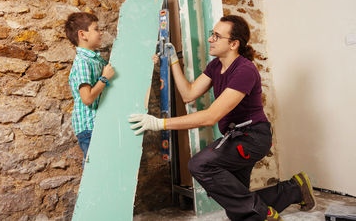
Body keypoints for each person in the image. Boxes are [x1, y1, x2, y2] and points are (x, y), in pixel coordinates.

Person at [128, 15, 316, 220]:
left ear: (234, 44)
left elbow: (211, 116)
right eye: (212, 34)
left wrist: (159, 123)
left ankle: (263, 215)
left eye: (217, 36)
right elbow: (188, 94)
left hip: (252, 137)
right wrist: (173, 61)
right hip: (237, 138)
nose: (210, 39)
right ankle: (295, 189)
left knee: (199, 164)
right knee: (239, 207)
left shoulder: (245, 70)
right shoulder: (215, 66)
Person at [65, 12, 115, 168]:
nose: (100, 33)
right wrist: (104, 79)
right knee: (97, 172)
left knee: (106, 169)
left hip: (98, 125)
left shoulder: (95, 59)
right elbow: (87, 99)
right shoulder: (82, 62)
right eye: (96, 29)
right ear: (82, 34)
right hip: (89, 128)